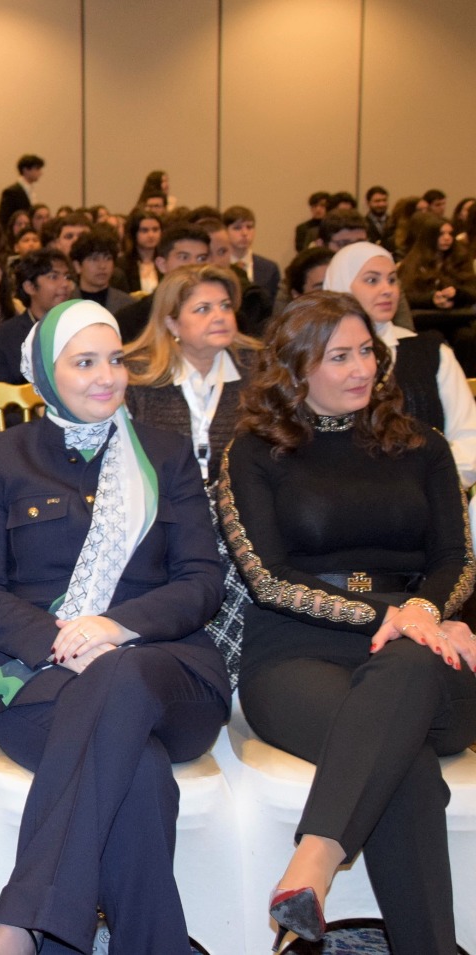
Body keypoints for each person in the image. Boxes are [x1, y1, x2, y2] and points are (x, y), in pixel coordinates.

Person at [0, 300, 230, 955]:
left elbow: (202, 580)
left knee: (122, 674)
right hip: (37, 676)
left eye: (115, 360)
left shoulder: (165, 455)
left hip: (167, 670)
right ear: (45, 376)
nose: (107, 376)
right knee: (137, 769)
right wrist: (59, 642)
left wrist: (114, 628)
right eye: (84, 362)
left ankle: (25, 923)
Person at [217, 292, 476, 953]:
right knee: (401, 757)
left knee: (407, 669)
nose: (361, 368)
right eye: (339, 356)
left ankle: (315, 858)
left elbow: (457, 559)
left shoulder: (424, 446)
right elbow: (268, 578)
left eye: (366, 351)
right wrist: (395, 615)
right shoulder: (255, 451)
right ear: (296, 367)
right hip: (295, 653)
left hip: (425, 652)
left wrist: (423, 614)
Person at [323, 242, 476, 489]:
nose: (387, 290)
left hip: (430, 494)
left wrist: (427, 488)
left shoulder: (431, 352)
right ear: (341, 285)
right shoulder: (316, 357)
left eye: (392, 280)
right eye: (372, 280)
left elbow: (470, 439)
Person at [122, 265, 260, 483]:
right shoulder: (136, 378)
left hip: (238, 498)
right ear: (172, 323)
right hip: (162, 499)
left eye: (225, 306)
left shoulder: (258, 370)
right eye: (203, 309)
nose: (220, 317)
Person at [0, 249, 73, 385]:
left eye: (67, 277)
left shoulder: (84, 330)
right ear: (29, 287)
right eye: (54, 277)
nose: (65, 284)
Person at [0, 155, 43, 226]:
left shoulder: (32, 191)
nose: (40, 173)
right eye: (37, 169)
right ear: (25, 170)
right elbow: (4, 219)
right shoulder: (11, 192)